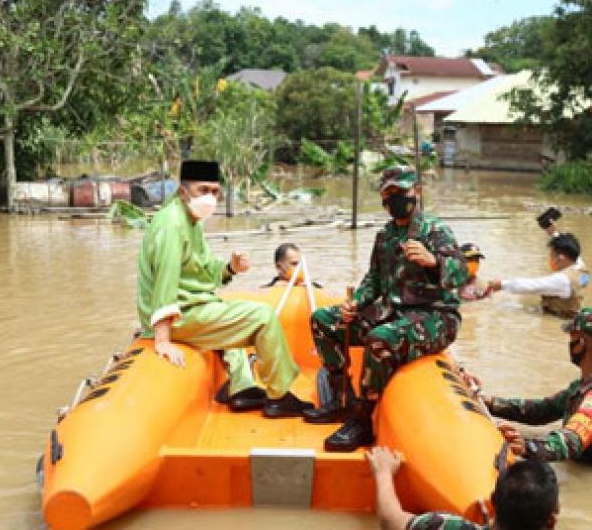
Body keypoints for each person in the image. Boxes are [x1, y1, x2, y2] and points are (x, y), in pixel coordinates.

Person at [304, 165, 469, 451]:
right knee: (323, 320)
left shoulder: (435, 230)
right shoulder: (385, 236)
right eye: (388, 193)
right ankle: (341, 399)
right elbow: (374, 279)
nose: (395, 199)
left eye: (400, 191)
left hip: (435, 317)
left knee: (381, 338)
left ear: (416, 192)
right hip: (392, 312)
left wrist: (434, 262)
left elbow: (462, 275)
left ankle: (363, 420)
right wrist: (355, 303)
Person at [136, 160, 312, 417]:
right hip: (177, 317)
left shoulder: (191, 219)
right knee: (263, 317)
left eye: (215, 191)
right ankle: (279, 396)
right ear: (183, 191)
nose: (210, 197)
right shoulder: (172, 224)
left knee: (227, 309)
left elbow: (204, 270)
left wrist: (231, 267)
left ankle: (241, 387)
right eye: (203, 190)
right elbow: (165, 280)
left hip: (192, 305)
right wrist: (162, 340)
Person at [471, 307, 592, 468]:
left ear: (580, 343)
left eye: (572, 337)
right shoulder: (584, 386)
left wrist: (528, 447)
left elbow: (571, 440)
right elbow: (542, 411)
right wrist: (490, 403)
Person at [366, 445, 560, 530]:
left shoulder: (445, 525)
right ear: (551, 521)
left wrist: (383, 473)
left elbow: (390, 521)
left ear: (493, 499)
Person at [487, 233, 589, 319]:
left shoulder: (562, 280)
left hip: (560, 320)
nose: (550, 258)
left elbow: (531, 285)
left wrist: (501, 284)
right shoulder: (581, 268)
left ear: (560, 258)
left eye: (551, 255)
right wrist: (553, 233)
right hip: (574, 313)